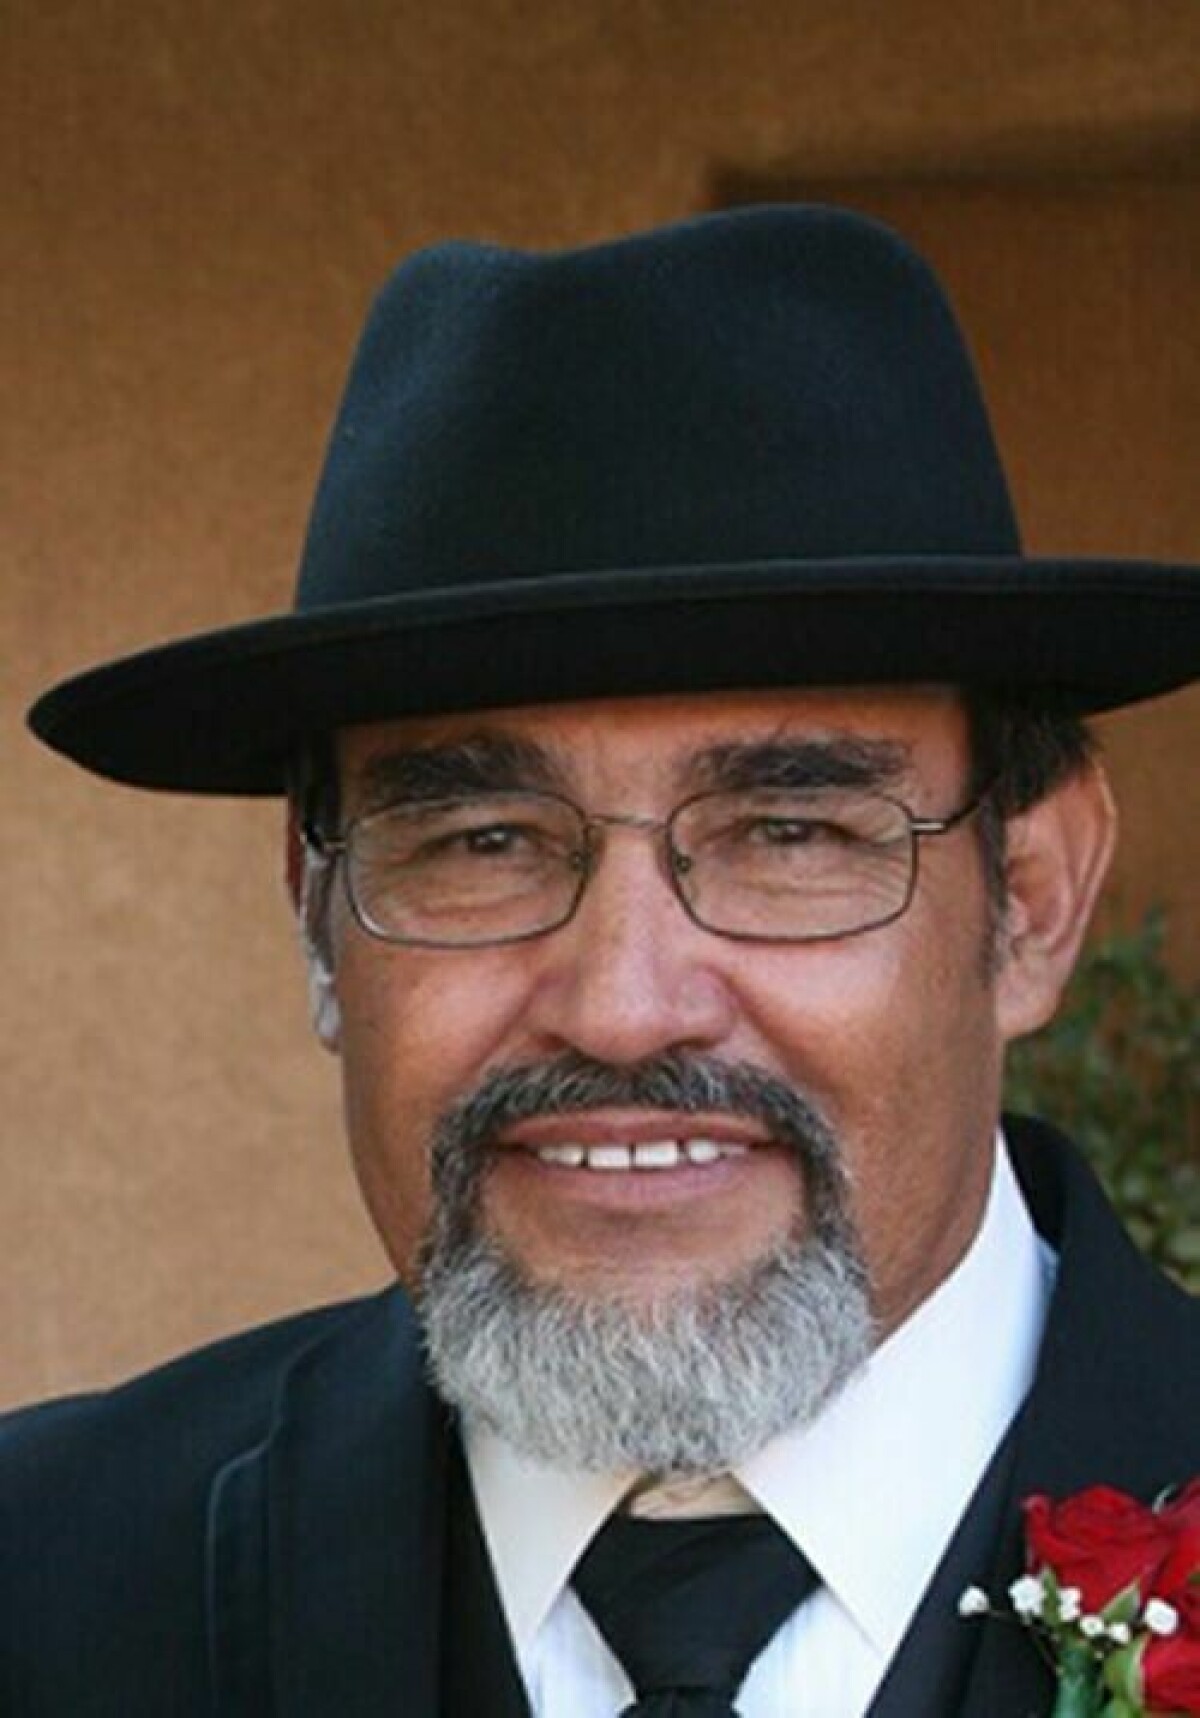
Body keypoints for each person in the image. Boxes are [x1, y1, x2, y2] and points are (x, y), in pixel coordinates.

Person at [4, 204, 1198, 1718]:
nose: (625, 1005)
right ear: (318, 917)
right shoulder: (41, 1589)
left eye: (786, 833)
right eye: (486, 841)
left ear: (1028, 899)